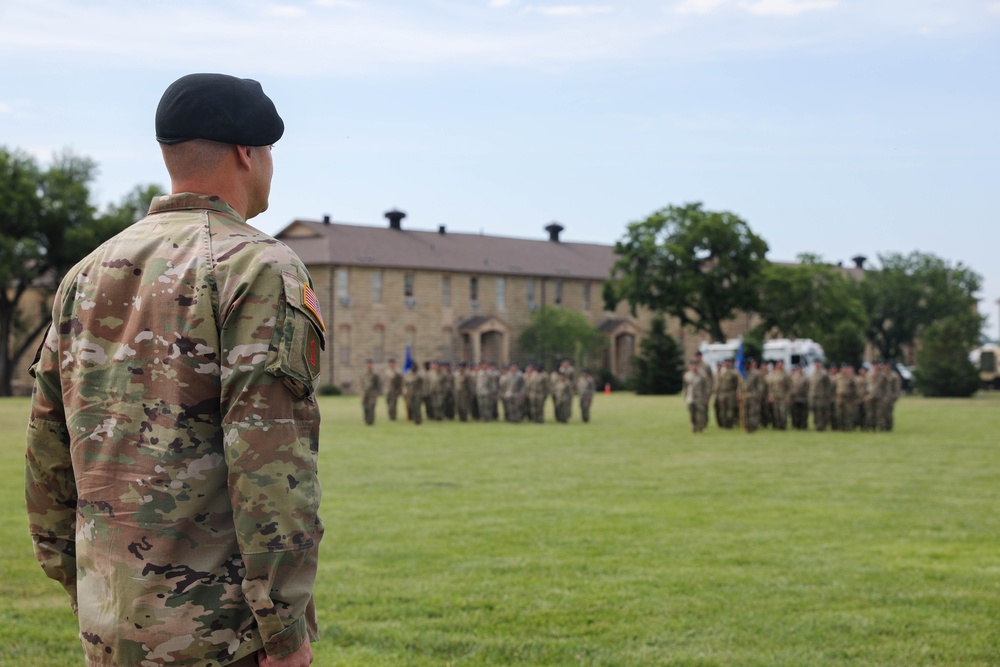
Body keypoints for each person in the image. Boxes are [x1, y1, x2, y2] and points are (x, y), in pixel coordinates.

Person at [25, 73, 322, 667]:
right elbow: (270, 466)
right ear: (248, 152)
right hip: (219, 633)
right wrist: (283, 627)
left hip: (110, 623)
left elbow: (48, 459)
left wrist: (85, 585)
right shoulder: (259, 266)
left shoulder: (84, 274)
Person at [683, 359, 709, 433]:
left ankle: (700, 427)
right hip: (690, 397)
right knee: (692, 413)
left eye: (695, 365)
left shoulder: (702, 376)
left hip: (699, 397)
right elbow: (685, 387)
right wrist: (685, 396)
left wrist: (706, 397)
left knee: (700, 413)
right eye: (692, 365)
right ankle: (694, 425)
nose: (693, 367)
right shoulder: (687, 376)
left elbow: (706, 387)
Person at [360, 358, 380, 425]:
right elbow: (361, 383)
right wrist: (361, 392)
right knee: (365, 407)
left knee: (372, 407)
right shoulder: (363, 374)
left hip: (372, 393)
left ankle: (371, 421)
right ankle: (366, 420)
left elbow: (378, 385)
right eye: (367, 364)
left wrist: (377, 393)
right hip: (365, 393)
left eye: (370, 364)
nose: (369, 365)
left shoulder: (375, 374)